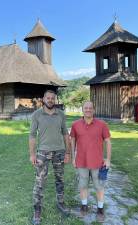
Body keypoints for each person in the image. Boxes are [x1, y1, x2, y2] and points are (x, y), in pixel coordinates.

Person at [29, 90, 71, 225]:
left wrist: (68, 152)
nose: (50, 100)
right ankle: (37, 209)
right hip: (43, 152)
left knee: (60, 179)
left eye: (53, 98)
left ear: (55, 99)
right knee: (40, 182)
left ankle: (61, 202)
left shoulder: (61, 114)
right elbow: (32, 135)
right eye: (48, 98)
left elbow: (66, 134)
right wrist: (32, 154)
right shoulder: (37, 114)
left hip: (59, 151)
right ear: (44, 99)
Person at [70, 101, 111, 222]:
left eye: (90, 108)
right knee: (83, 186)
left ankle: (100, 209)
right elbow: (72, 141)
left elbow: (108, 142)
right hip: (81, 162)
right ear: (82, 109)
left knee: (99, 187)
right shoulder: (75, 124)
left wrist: (108, 159)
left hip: (98, 163)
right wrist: (73, 157)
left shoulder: (102, 124)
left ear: (93, 110)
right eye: (85, 108)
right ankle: (84, 206)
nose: (88, 110)